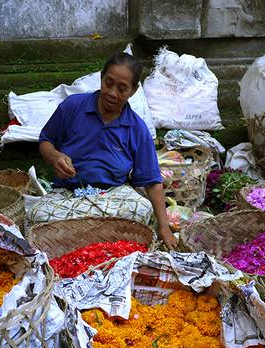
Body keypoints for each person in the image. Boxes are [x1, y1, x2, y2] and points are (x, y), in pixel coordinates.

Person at [37, 52, 178, 249]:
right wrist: (56, 157)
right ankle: (99, 240)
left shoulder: (136, 128)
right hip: (68, 194)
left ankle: (78, 241)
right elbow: (45, 141)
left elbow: (152, 180)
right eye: (108, 83)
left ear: (134, 90)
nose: (112, 93)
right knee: (38, 215)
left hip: (112, 196)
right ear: (101, 78)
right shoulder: (73, 106)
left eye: (122, 88)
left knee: (141, 209)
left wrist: (164, 228)